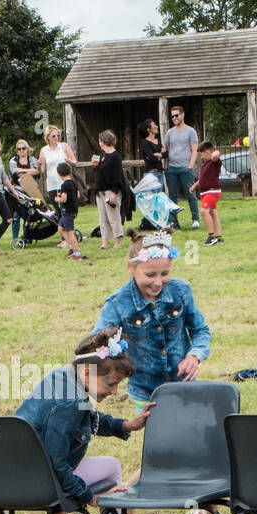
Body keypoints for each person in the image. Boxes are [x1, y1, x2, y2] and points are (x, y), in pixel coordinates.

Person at [15, 326, 155, 514]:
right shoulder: (70, 401)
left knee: (109, 466)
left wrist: (125, 425)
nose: (114, 391)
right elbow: (56, 460)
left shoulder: (66, 377)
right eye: (111, 383)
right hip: (40, 481)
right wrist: (89, 496)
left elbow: (87, 420)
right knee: (112, 480)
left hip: (15, 473)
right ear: (89, 371)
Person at [93, 229, 210, 410]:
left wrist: (194, 356)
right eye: (150, 275)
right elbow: (97, 344)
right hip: (145, 392)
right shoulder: (117, 304)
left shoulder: (181, 291)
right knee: (159, 435)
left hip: (185, 385)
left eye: (164, 273)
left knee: (191, 433)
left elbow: (200, 330)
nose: (157, 282)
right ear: (130, 267)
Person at [164, 106, 200, 229]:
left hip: (185, 168)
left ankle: (195, 219)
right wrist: (166, 167)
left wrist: (190, 166)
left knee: (190, 193)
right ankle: (174, 222)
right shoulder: (169, 133)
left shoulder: (190, 131)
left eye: (176, 115)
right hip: (172, 169)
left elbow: (194, 150)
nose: (174, 118)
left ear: (182, 115)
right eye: (172, 116)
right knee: (172, 196)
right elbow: (166, 150)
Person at [93, 130, 125, 249]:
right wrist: (96, 165)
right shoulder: (103, 156)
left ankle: (117, 242)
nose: (99, 143)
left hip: (110, 190)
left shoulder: (115, 156)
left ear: (103, 141)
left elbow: (118, 175)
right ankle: (104, 243)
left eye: (100, 140)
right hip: (100, 191)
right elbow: (100, 172)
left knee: (114, 217)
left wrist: (114, 192)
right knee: (103, 218)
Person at [190, 141, 223, 245]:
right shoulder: (205, 164)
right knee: (213, 213)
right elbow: (203, 179)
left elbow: (216, 155)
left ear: (209, 151)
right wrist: (195, 185)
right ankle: (218, 237)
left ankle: (211, 236)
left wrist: (214, 153)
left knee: (204, 211)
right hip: (205, 193)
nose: (202, 156)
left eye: (203, 153)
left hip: (212, 192)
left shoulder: (215, 162)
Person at [8, 139, 39, 245]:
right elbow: (15, 173)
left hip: (31, 189)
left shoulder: (32, 159)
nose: (21, 150)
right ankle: (15, 238)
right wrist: (28, 171)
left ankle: (27, 236)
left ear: (27, 149)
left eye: (23, 148)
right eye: (19, 149)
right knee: (16, 215)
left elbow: (36, 171)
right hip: (17, 190)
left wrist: (21, 170)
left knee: (30, 214)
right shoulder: (13, 160)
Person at [37, 125, 77, 207]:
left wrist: (70, 161)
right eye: (53, 136)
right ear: (48, 137)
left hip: (64, 182)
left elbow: (75, 161)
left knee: (67, 208)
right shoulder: (44, 150)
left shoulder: (64, 146)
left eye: (58, 135)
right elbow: (43, 170)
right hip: (52, 183)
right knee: (57, 209)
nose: (56, 137)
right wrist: (38, 164)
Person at [55, 162, 83, 260]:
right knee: (60, 228)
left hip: (68, 211)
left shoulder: (64, 185)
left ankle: (77, 253)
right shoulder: (73, 183)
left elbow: (64, 199)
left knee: (70, 233)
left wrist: (57, 198)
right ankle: (71, 248)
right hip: (73, 210)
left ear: (59, 174)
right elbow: (78, 195)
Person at [139, 118, 166, 191]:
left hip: (160, 173)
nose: (157, 126)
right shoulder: (145, 143)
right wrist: (161, 155)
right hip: (150, 173)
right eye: (154, 125)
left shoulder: (158, 141)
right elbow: (152, 158)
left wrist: (158, 154)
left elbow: (166, 154)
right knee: (152, 198)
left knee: (159, 197)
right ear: (148, 129)